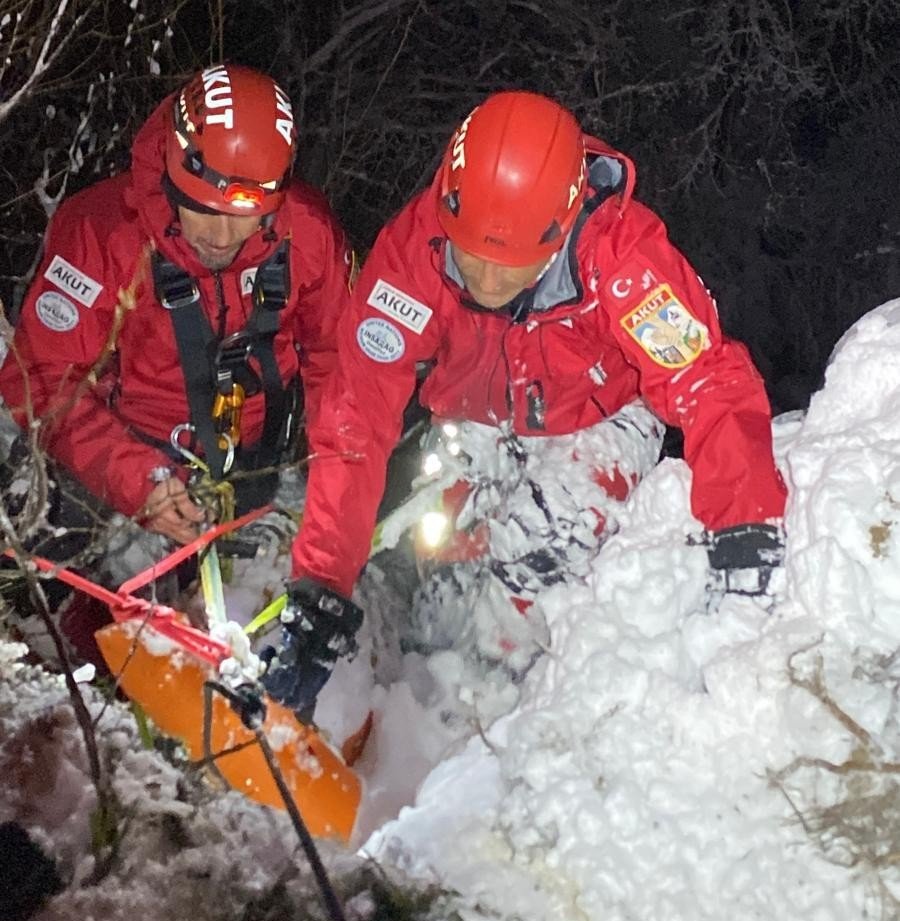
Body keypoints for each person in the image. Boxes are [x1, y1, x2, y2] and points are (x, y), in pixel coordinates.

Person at [263, 91, 788, 710]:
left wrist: (746, 525)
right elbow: (356, 413)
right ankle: (411, 690)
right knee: (443, 560)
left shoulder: (621, 254)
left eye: (511, 267)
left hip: (603, 417)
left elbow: (708, 380)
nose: (485, 283)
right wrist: (320, 581)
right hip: (475, 416)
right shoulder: (415, 252)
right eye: (473, 258)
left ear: (560, 228)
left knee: (533, 559)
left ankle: (486, 721)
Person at [0, 64, 353, 660]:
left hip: (248, 461)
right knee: (50, 567)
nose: (221, 235)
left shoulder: (310, 238)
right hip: (116, 455)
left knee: (245, 626)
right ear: (171, 171)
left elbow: (338, 366)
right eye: (202, 209)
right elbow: (41, 379)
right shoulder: (102, 232)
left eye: (244, 215)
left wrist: (335, 475)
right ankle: (71, 657)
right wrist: (139, 481)